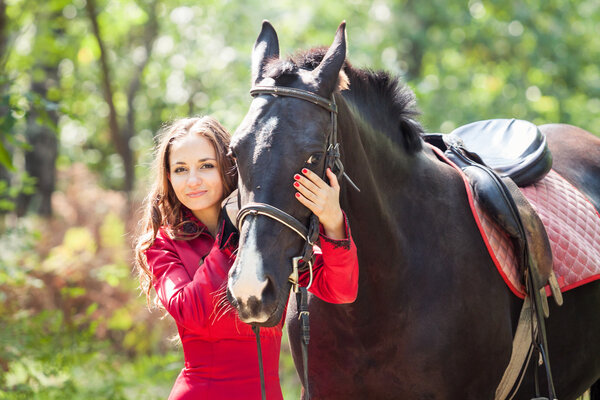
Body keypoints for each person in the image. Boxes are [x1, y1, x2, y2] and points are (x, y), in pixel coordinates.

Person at [134, 116, 358, 399]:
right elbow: (191, 312)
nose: (193, 180)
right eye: (180, 169)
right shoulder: (163, 244)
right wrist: (228, 238)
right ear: (168, 177)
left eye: (206, 166)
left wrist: (334, 222)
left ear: (229, 168)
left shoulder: (268, 238)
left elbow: (341, 290)